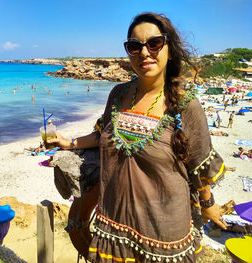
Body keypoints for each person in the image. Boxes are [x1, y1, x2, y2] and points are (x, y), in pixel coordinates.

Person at [48, 12, 227, 262]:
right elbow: (103, 133)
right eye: (135, 46)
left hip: (164, 237)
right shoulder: (118, 95)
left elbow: (199, 166)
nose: (144, 52)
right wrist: (70, 143)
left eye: (154, 44)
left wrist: (209, 206)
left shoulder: (186, 104)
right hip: (115, 227)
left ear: (170, 50)